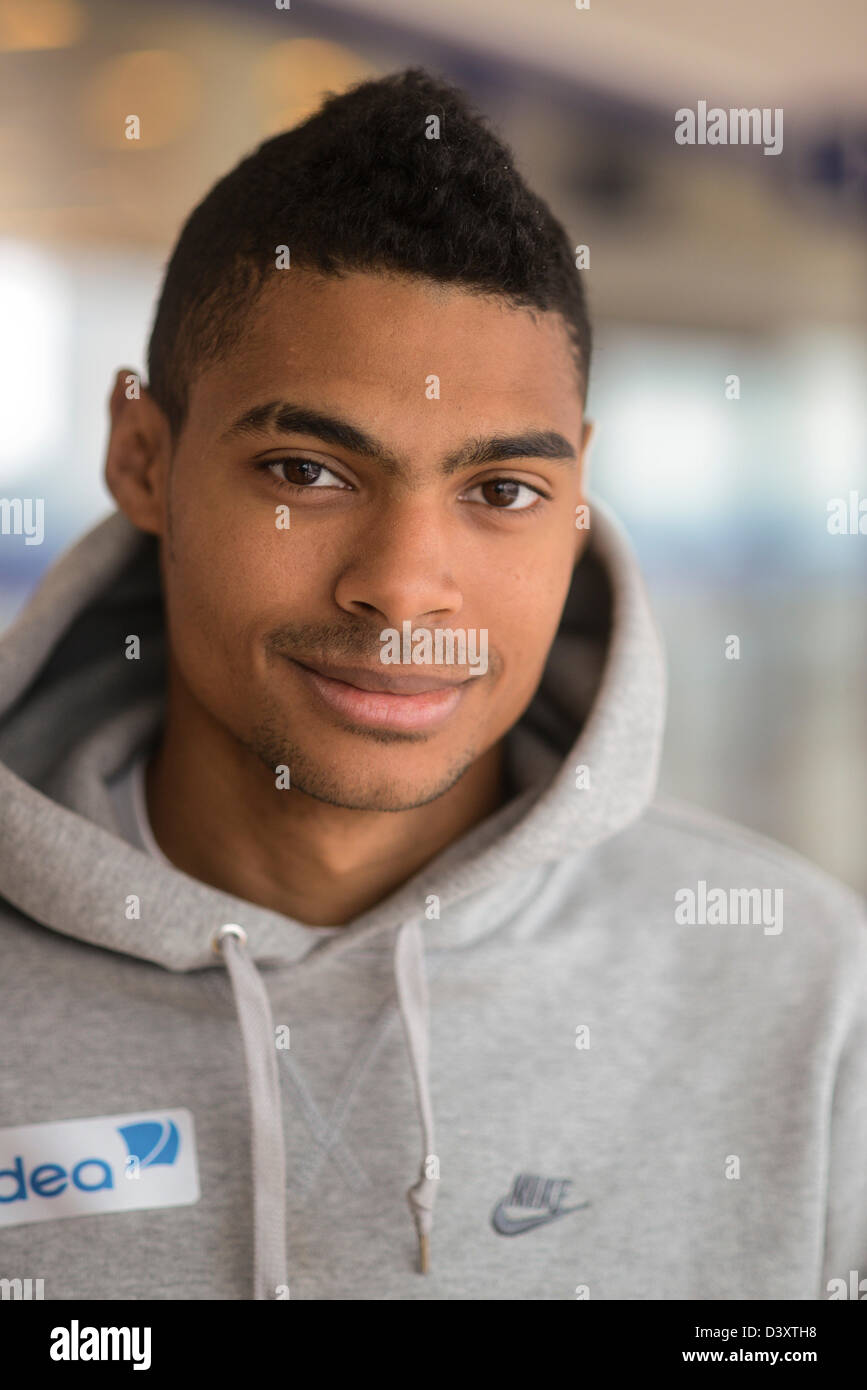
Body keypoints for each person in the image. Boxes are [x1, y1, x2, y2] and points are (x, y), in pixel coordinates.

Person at [0, 67, 864, 1302]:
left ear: (574, 502)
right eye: (307, 469)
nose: (404, 590)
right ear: (144, 457)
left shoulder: (806, 988)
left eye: (501, 491)